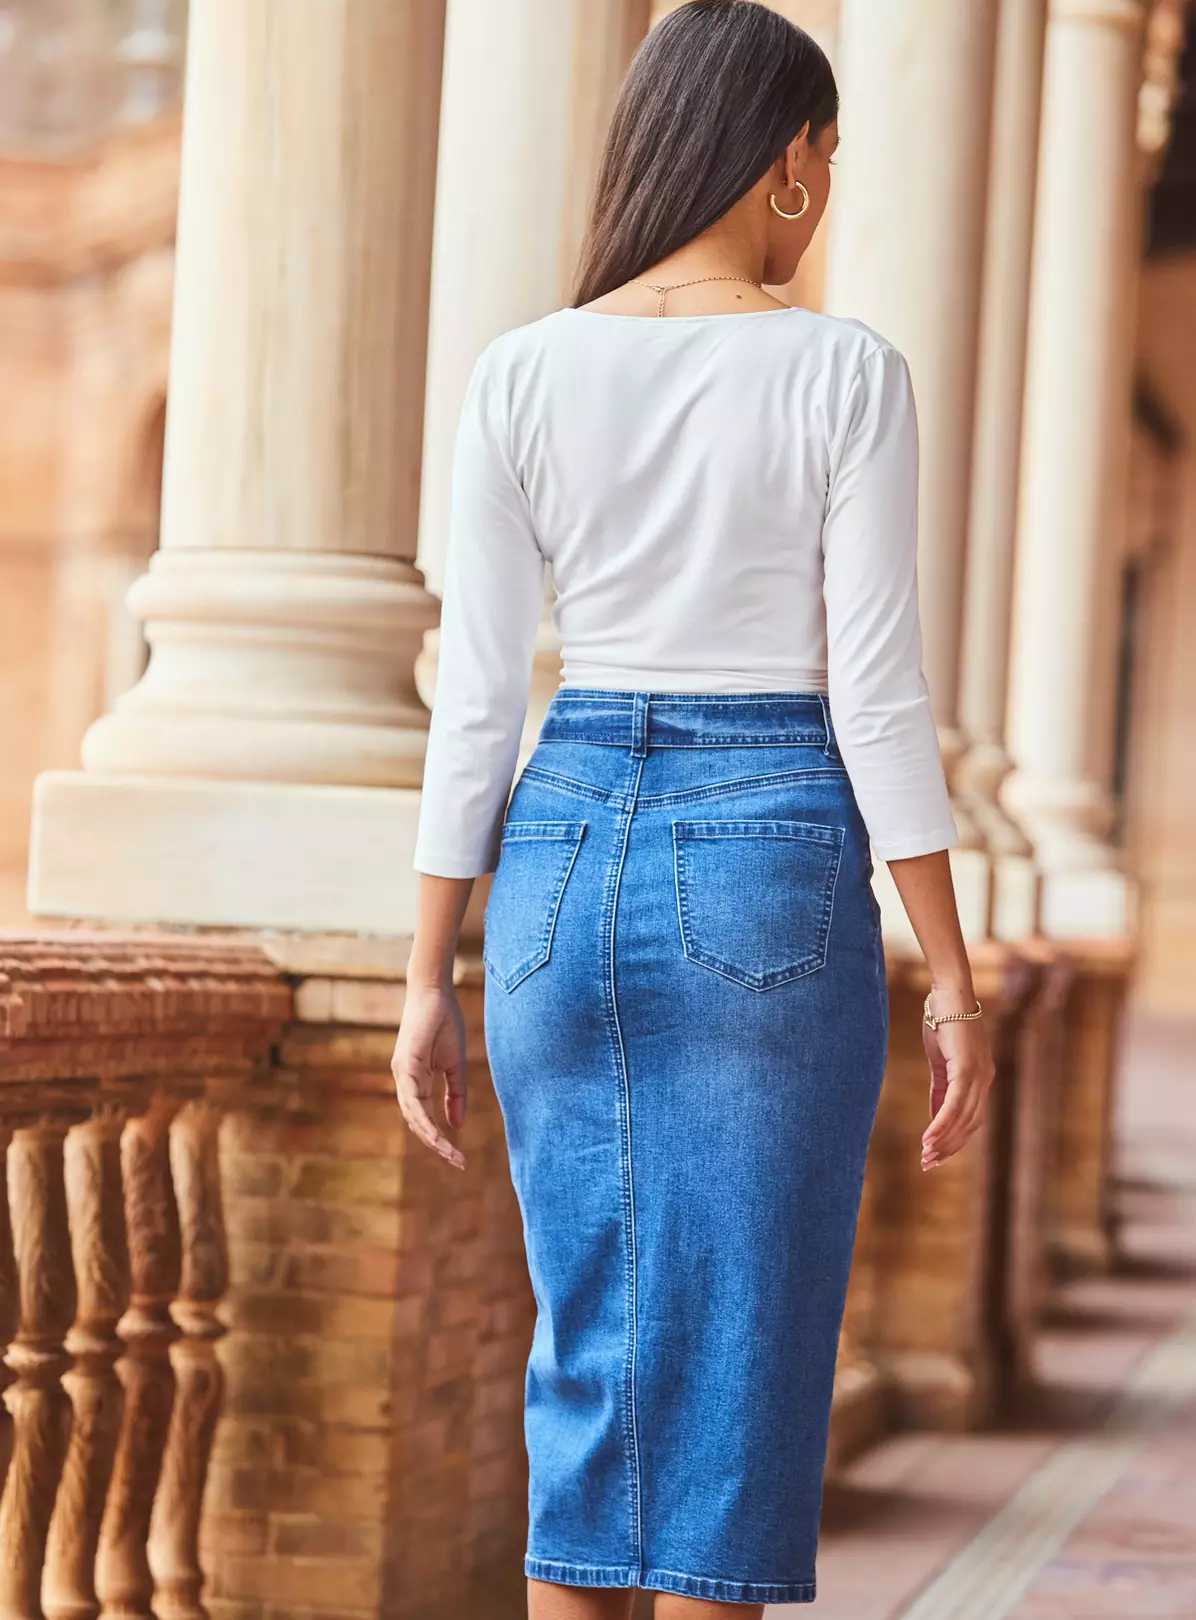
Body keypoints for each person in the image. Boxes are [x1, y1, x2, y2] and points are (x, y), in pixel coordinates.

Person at [392, 2, 995, 1614]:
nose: (827, 193)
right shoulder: (843, 375)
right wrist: (952, 972)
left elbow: (477, 700)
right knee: (733, 1400)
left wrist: (422, 973)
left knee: (587, 1384)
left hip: (559, 846)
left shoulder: (521, 371)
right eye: (828, 160)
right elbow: (876, 697)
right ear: (788, 158)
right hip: (766, 851)